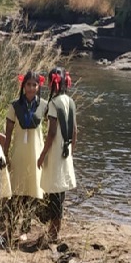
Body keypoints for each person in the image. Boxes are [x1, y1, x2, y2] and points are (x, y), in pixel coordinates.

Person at [38, 67, 78, 242]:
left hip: (55, 151)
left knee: (54, 192)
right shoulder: (70, 101)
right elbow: (75, 130)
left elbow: (52, 132)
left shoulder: (53, 104)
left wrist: (42, 154)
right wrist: (71, 150)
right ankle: (56, 229)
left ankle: (54, 232)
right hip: (66, 150)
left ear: (51, 83)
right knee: (61, 192)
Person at [3, 70, 48, 220]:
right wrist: (5, 153)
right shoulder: (15, 106)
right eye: (28, 84)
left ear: (38, 87)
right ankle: (13, 223)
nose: (31, 88)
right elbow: (8, 133)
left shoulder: (44, 105)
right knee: (17, 189)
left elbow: (54, 127)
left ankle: (26, 227)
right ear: (23, 85)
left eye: (34, 85)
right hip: (19, 152)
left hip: (36, 152)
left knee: (33, 189)